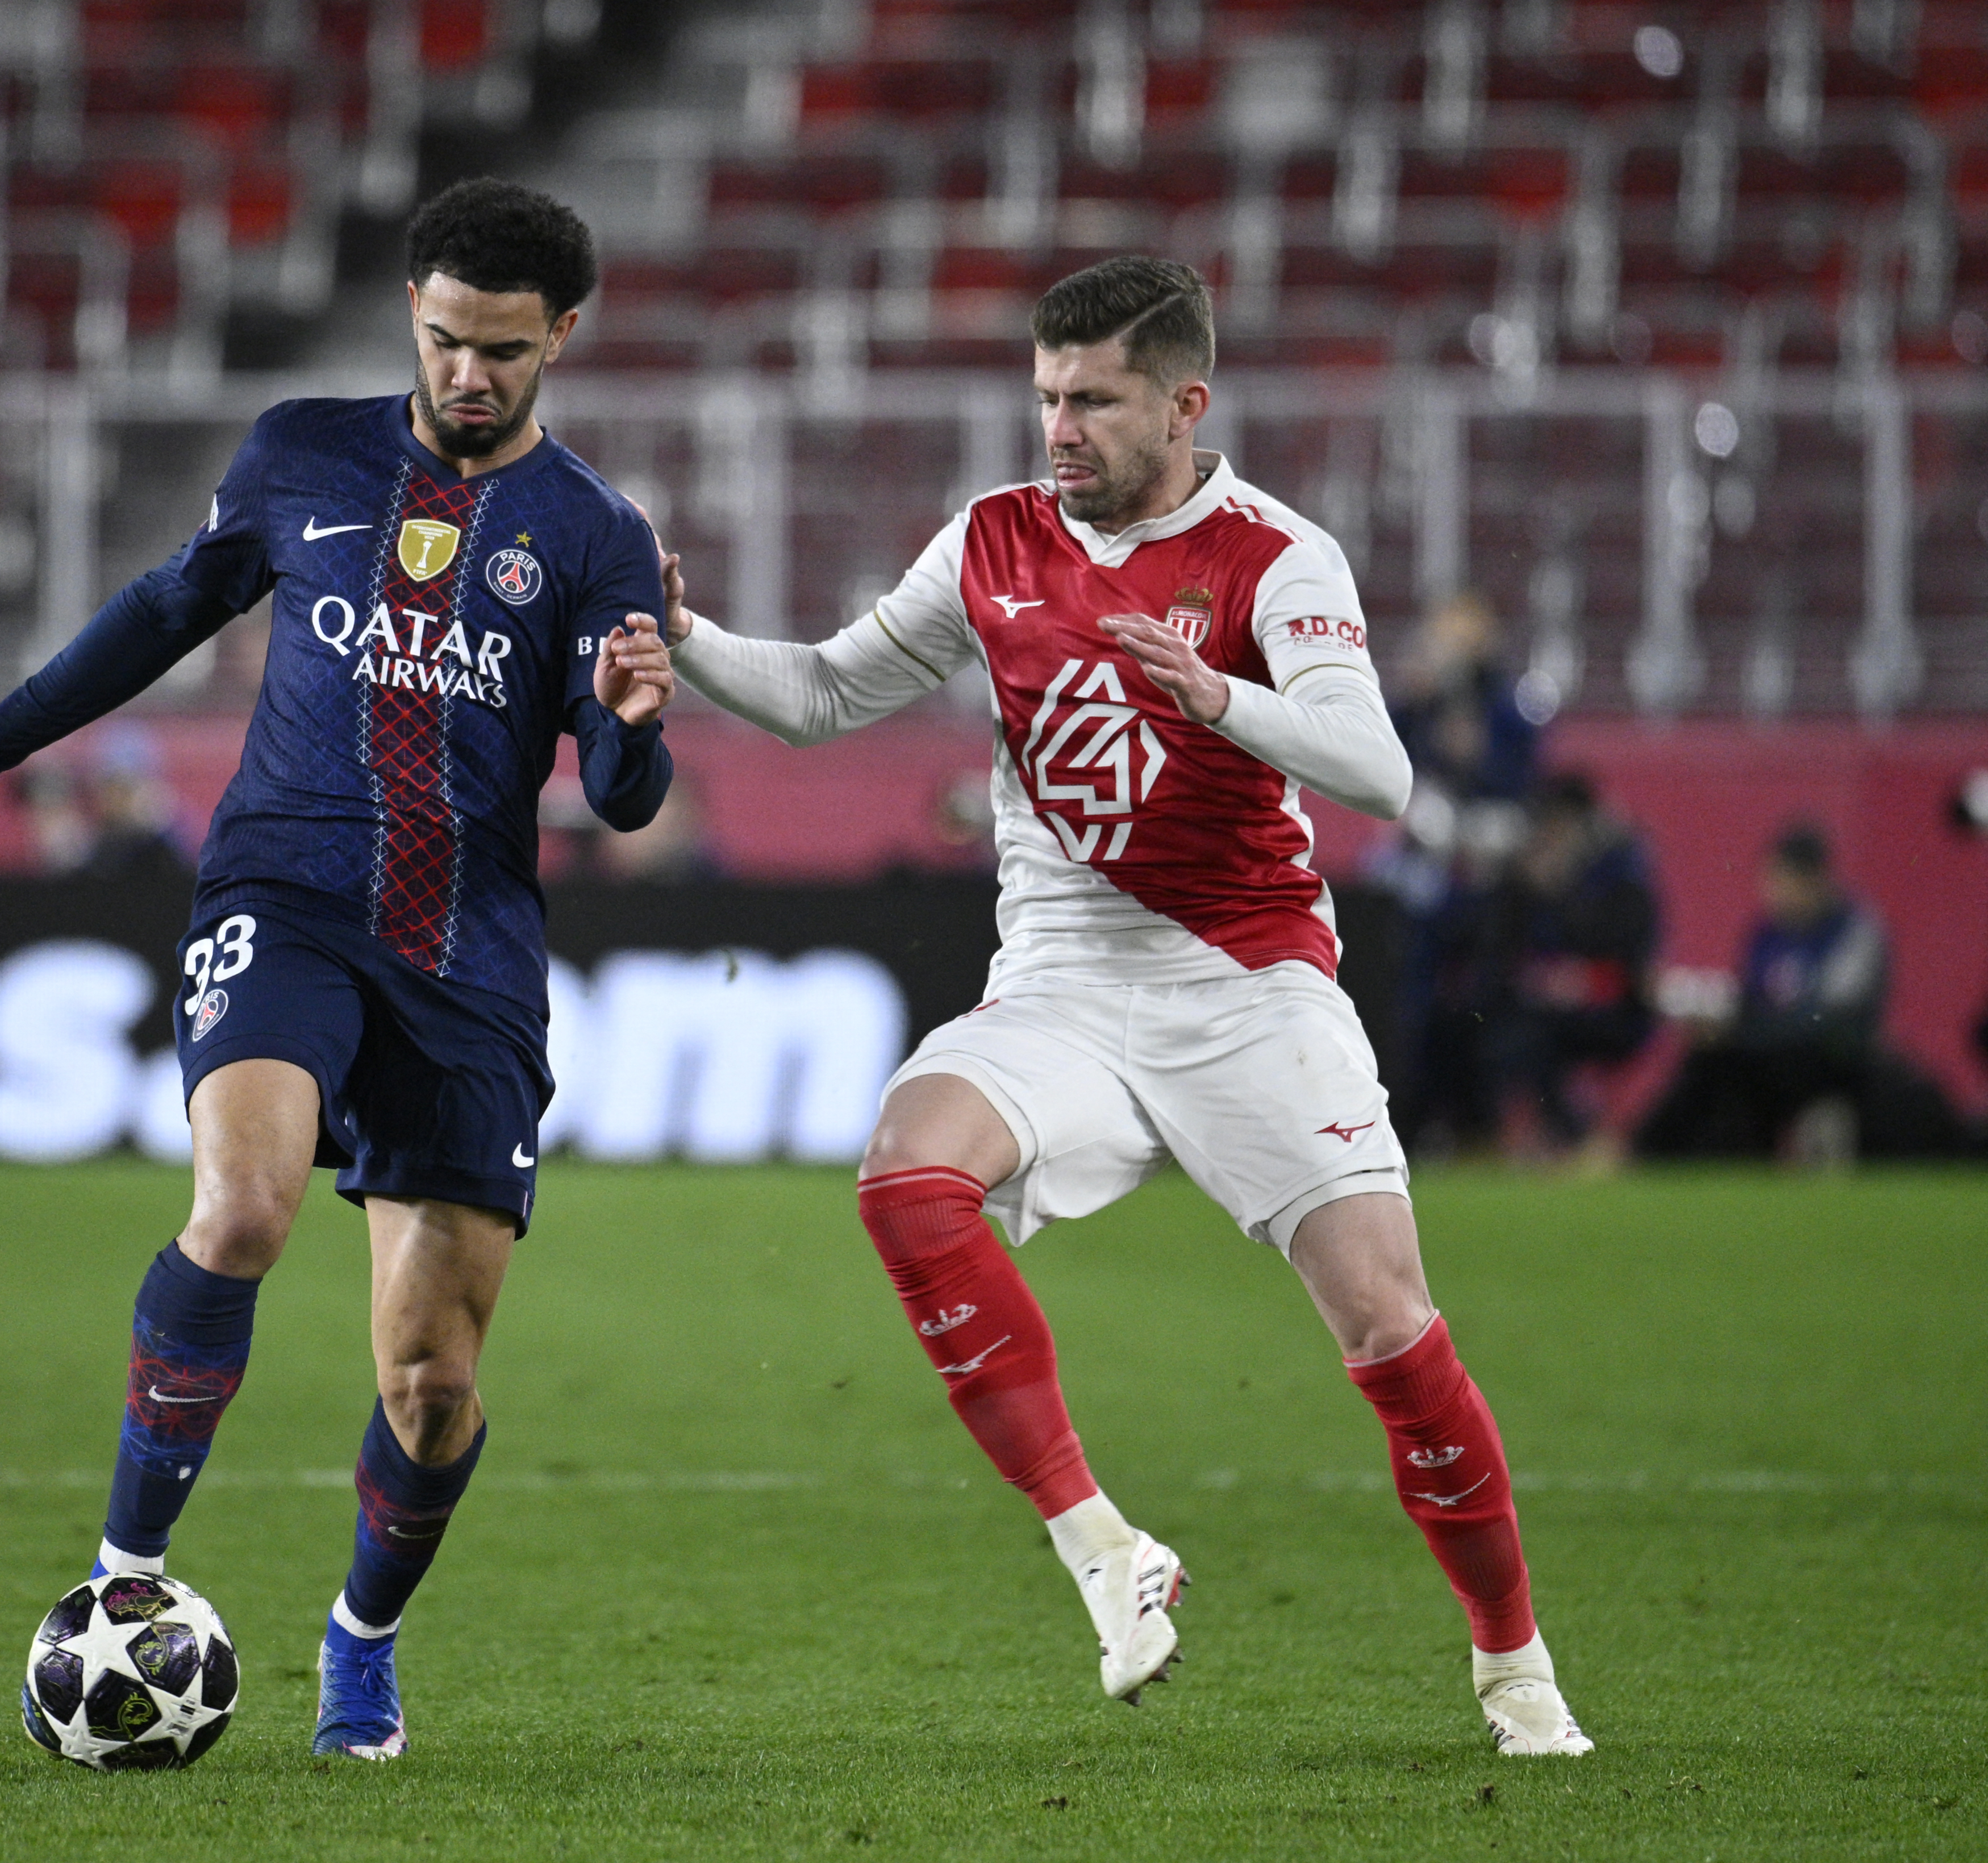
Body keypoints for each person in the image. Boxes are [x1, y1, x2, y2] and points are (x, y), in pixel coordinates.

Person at [656, 256, 1591, 1757]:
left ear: (1183, 401)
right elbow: (828, 692)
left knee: (1388, 1326)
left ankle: (1512, 1668)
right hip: (1062, 985)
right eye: (1044, 395)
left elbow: (1379, 775)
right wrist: (684, 643)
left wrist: (1218, 699)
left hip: (1245, 983)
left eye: (1091, 398)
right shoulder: (990, 541)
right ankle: (1102, 1542)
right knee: (904, 1171)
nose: (1058, 428)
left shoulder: (1273, 558)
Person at [0, 178, 679, 1761]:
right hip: (282, 892)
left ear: (559, 335)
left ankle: (359, 1637)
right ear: (412, 317)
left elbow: (614, 791)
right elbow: (157, 614)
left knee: (430, 1382)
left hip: (467, 957)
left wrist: (635, 722)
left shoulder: (591, 533)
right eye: (444, 339)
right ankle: (119, 1575)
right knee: (239, 1207)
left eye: (504, 349)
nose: (468, 375)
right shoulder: (299, 448)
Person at [1638, 823, 1958, 1161]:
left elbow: (1832, 1016)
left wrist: (1746, 1030)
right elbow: (1752, 997)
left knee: (1737, 1058)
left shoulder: (1854, 930)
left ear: (1813, 879)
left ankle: (1640, 1151)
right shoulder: (1767, 933)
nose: (1772, 892)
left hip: (1835, 1058)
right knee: (1708, 1059)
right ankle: (1662, 1154)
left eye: (1781, 880)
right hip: (1772, 1051)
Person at [1465, 772, 1658, 1155]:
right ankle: (1555, 1136)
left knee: (1534, 1040)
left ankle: (1575, 1137)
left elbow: (1625, 955)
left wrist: (1559, 899)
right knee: (1490, 1028)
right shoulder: (1529, 877)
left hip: (1612, 1009)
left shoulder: (1618, 875)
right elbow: (1499, 951)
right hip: (1544, 1005)